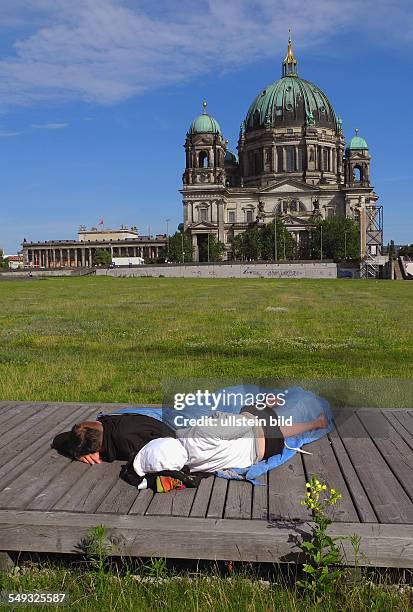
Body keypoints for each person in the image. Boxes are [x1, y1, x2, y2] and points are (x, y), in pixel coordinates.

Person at [52, 413, 175, 465]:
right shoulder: (125, 439)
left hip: (160, 422)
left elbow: (59, 439)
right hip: (152, 421)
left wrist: (77, 452)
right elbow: (59, 439)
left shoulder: (124, 441)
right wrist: (77, 453)